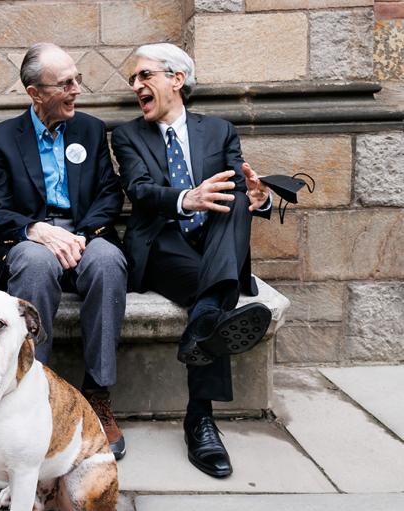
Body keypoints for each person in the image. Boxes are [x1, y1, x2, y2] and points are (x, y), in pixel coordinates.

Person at [111, 43, 273, 477]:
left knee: (237, 196)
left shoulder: (219, 130)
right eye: (133, 80)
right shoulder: (127, 135)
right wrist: (188, 198)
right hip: (163, 248)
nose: (136, 86)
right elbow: (141, 191)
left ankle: (203, 324)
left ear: (176, 79)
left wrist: (259, 199)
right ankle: (200, 419)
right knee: (218, 297)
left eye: (144, 76)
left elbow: (242, 185)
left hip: (215, 244)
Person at [0, 43, 128, 460]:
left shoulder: (90, 130)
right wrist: (36, 229)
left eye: (77, 79)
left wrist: (81, 235)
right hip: (30, 238)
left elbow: (108, 193)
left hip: (84, 234)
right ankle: (34, 390)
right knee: (35, 262)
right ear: (35, 93)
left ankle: (97, 393)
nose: (76, 89)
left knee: (107, 261)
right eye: (65, 83)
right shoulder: (0, 139)